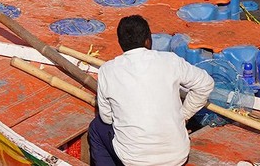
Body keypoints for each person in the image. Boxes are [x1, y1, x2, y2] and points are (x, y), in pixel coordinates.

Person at [89, 14, 214, 166]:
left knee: (97, 127)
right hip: (177, 156)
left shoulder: (107, 70)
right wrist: (184, 114)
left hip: (134, 161)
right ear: (148, 40)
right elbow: (205, 84)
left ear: (120, 43)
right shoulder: (171, 60)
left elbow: (107, 117)